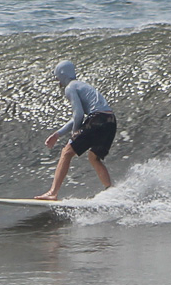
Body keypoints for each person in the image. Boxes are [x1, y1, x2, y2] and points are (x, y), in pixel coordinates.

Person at [35, 59, 117, 200]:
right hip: (110, 121)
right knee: (94, 157)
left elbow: (78, 114)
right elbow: (77, 117)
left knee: (66, 152)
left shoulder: (70, 87)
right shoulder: (82, 86)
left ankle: (53, 193)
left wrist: (74, 135)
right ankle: (111, 190)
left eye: (57, 78)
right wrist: (58, 134)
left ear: (62, 74)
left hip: (97, 119)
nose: (58, 82)